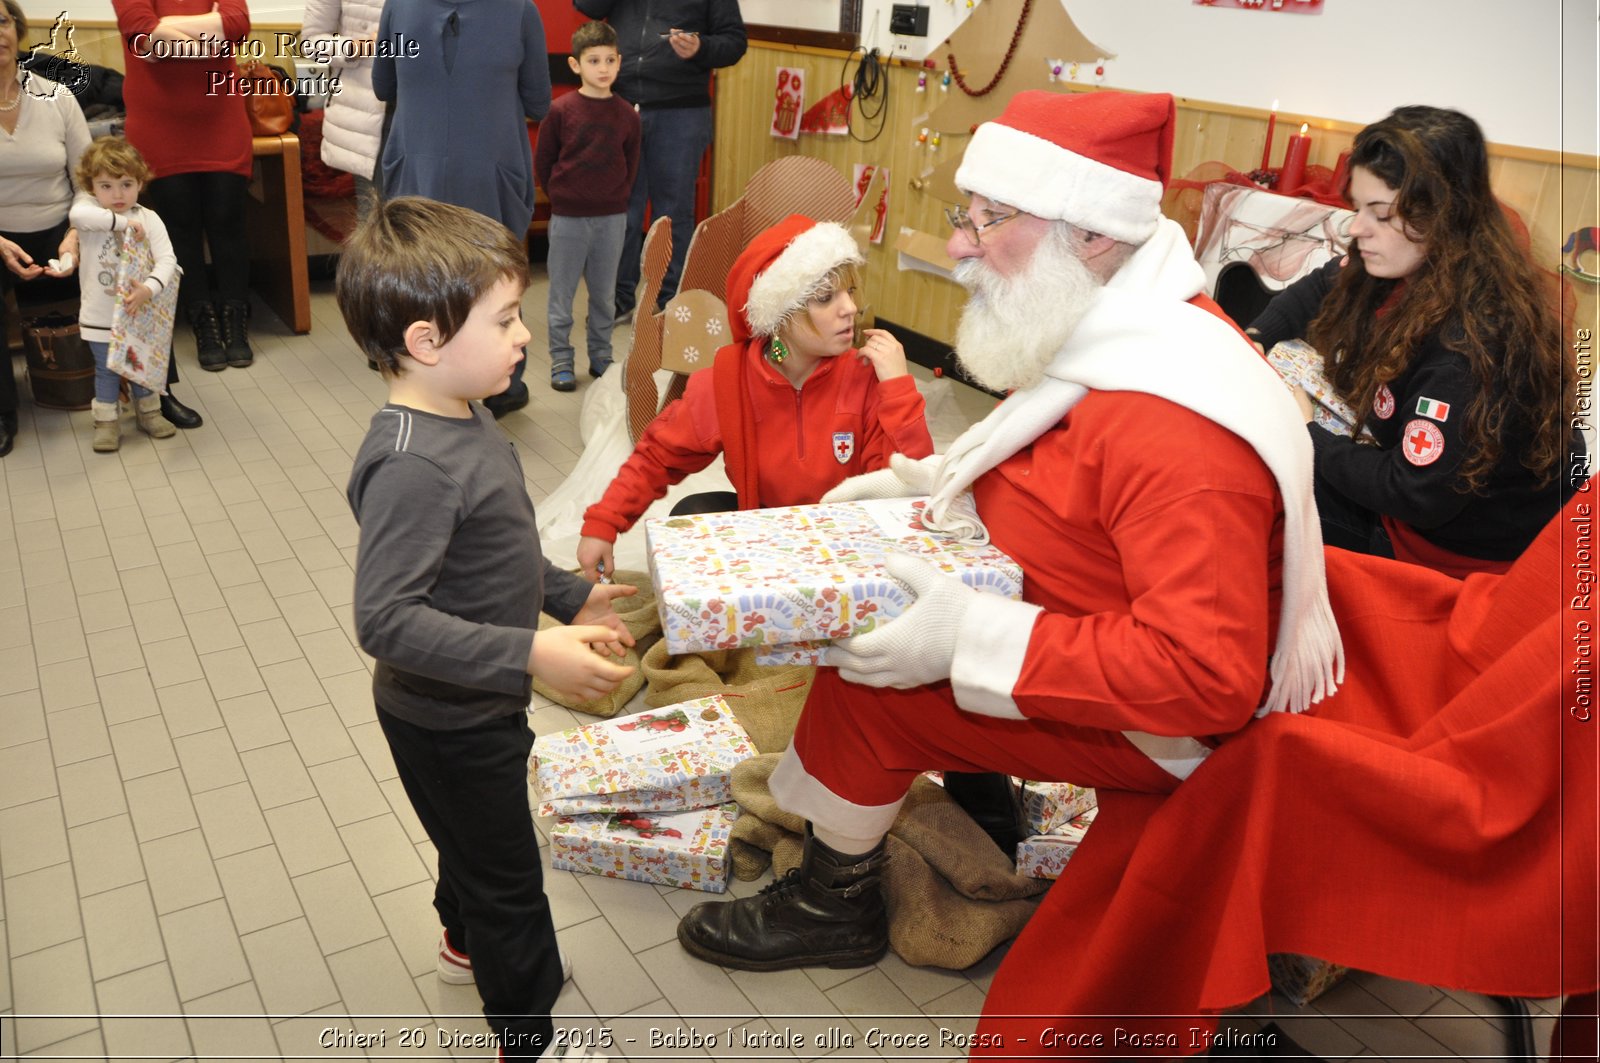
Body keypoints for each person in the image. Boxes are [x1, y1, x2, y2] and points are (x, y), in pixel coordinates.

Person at [671, 90, 1344, 985]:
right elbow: (1059, 474)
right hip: (1073, 621)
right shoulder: (1121, 326)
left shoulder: (1179, 427)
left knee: (866, 682)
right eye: (967, 215)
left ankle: (831, 908)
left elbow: (1205, 679)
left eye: (989, 220)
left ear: (1092, 235)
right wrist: (926, 480)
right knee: (878, 642)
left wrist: (968, 640)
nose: (957, 244)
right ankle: (982, 797)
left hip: (1170, 735)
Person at [340, 197, 632, 1062]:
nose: (523, 335)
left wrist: (565, 595)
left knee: (467, 842)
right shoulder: (411, 466)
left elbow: (496, 549)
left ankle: (463, 942)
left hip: (478, 701)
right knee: (509, 878)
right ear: (427, 340)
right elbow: (384, 617)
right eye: (504, 319)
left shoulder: (465, 415)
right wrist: (530, 650)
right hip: (449, 719)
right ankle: (528, 1032)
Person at [1247, 106, 1583, 578]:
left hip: (1451, 555)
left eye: (1380, 214)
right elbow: (1324, 284)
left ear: (1443, 217)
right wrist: (1255, 338)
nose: (1356, 228)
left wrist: (1308, 433)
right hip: (1428, 496)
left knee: (1255, 479)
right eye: (1358, 208)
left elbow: (1414, 495)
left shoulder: (1468, 351)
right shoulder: (1412, 263)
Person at [575, 215, 934, 582]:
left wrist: (898, 388)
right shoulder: (730, 381)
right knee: (691, 513)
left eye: (849, 292)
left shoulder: (863, 373)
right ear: (781, 314)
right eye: (826, 298)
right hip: (769, 538)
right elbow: (657, 456)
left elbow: (909, 487)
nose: (849, 309)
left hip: (848, 545)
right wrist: (603, 523)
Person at [373, 0, 551, 418]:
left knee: (419, 275)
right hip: (490, 172)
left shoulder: (399, 7)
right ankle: (503, 383)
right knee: (494, 276)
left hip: (418, 167)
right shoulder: (520, 10)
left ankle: (424, 378)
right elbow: (539, 102)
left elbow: (384, 87)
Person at [574, 0, 746, 322]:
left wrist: (700, 47)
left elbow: (735, 42)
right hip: (620, 103)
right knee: (619, 209)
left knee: (674, 211)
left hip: (682, 110)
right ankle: (618, 300)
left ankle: (670, 302)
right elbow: (586, 5)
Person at [115, 0, 258, 372]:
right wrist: (211, 39)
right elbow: (143, 33)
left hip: (222, 117)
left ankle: (235, 319)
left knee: (228, 220)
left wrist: (168, 28)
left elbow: (237, 25)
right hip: (158, 124)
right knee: (178, 227)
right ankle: (203, 322)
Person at [535, 20, 639, 392]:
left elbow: (631, 163)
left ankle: (601, 356)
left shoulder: (627, 114)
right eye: (593, 60)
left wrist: (614, 198)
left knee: (604, 295)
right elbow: (544, 162)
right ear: (576, 65)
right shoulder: (560, 111)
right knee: (561, 295)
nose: (603, 68)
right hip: (568, 220)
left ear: (619, 62)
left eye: (610, 60)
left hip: (612, 219)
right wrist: (564, 196)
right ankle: (562, 360)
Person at [69, 136, 178, 452]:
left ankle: (149, 412)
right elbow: (77, 217)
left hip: (141, 313)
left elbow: (168, 260)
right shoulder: (91, 215)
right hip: (99, 317)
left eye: (126, 184)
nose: (117, 194)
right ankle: (106, 422)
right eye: (105, 186)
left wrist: (148, 288)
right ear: (91, 187)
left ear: (140, 183)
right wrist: (123, 223)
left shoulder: (150, 218)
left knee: (141, 366)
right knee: (106, 370)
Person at [300, 0, 386, 206]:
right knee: (374, 220)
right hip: (367, 116)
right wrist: (359, 47)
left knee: (433, 222)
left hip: (427, 109)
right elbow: (311, 43)